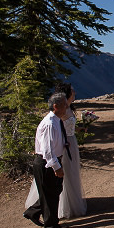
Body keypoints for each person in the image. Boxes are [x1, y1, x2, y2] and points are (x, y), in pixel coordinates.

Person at [24, 83, 88, 219]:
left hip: (69, 141)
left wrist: (79, 129)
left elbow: (67, 127)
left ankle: (62, 205)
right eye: (72, 91)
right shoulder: (53, 119)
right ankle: (59, 208)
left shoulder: (67, 108)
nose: (75, 93)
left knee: (67, 177)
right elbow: (55, 135)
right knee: (59, 179)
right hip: (64, 145)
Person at [22, 92, 72, 228]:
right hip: (47, 162)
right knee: (50, 194)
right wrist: (56, 167)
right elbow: (47, 149)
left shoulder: (56, 120)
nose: (67, 107)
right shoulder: (50, 124)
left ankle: (34, 212)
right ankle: (51, 226)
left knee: (54, 191)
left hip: (52, 160)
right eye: (64, 104)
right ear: (56, 106)